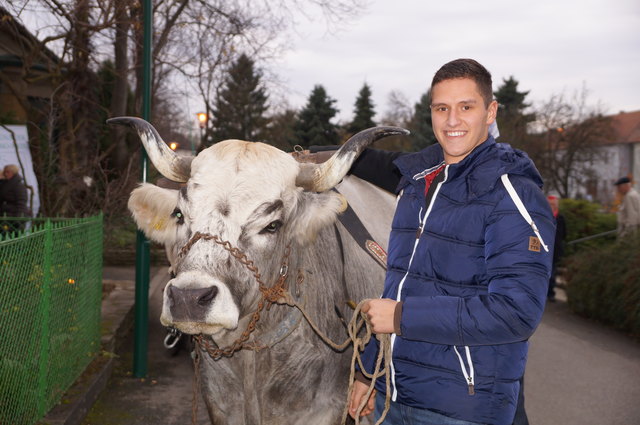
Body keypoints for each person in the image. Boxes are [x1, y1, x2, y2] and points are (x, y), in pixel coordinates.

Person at [347, 58, 555, 425]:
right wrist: (369, 374)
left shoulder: (513, 191)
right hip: (392, 399)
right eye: (442, 108)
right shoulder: (418, 186)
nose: (452, 120)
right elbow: (398, 287)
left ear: (490, 112)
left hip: (463, 409)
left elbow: (516, 312)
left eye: (466, 107)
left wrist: (401, 316)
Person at [546, 195, 566, 302]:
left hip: (555, 250)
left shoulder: (560, 218)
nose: (551, 206)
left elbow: (564, 234)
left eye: (553, 204)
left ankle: (550, 293)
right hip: (544, 249)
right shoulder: (543, 216)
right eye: (549, 204)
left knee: (552, 273)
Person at [0, 164, 31, 234]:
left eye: (8, 172)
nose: (6, 174)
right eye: (5, 172)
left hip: (13, 217)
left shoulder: (18, 186)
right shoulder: (5, 184)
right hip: (5, 216)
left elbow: (21, 202)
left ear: (12, 172)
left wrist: (18, 218)